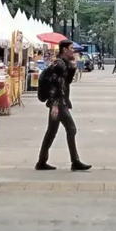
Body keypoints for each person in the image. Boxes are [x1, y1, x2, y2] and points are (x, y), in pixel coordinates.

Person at [36, 40, 91, 172]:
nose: (74, 50)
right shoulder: (58, 64)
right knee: (71, 129)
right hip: (58, 102)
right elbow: (55, 85)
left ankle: (41, 161)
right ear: (64, 50)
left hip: (60, 101)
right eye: (71, 48)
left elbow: (67, 82)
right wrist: (55, 104)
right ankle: (75, 161)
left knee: (51, 132)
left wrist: (72, 67)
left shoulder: (63, 63)